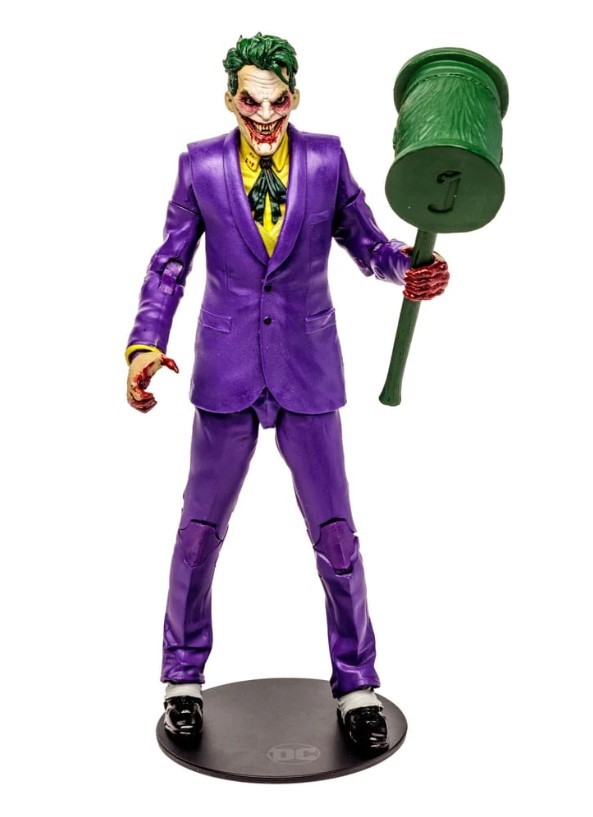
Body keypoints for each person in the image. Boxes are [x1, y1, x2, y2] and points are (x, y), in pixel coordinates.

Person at [126, 32, 449, 754]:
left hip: (308, 367)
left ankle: (356, 684)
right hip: (226, 370)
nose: (265, 115)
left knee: (335, 534)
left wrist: (406, 265)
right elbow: (169, 264)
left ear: (295, 97)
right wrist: (145, 343)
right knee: (199, 532)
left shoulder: (327, 159)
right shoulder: (200, 164)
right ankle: (182, 679)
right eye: (251, 101)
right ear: (230, 100)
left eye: (277, 101)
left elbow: (366, 242)